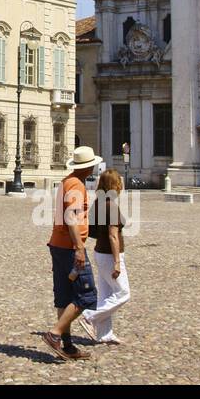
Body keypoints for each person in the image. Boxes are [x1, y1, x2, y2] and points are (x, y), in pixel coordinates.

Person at [43, 146, 100, 361]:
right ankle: (55, 334)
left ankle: (67, 346)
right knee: (87, 295)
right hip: (69, 247)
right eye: (92, 163)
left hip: (58, 244)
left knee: (65, 296)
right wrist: (79, 248)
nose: (94, 166)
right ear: (88, 167)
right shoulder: (76, 185)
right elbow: (72, 217)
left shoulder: (68, 181)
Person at [78, 169, 131, 344]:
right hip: (109, 255)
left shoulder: (98, 203)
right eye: (119, 183)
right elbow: (113, 235)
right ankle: (90, 316)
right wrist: (117, 261)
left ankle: (104, 334)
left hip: (99, 252)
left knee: (105, 293)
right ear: (115, 186)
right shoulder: (111, 207)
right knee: (123, 293)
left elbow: (92, 230)